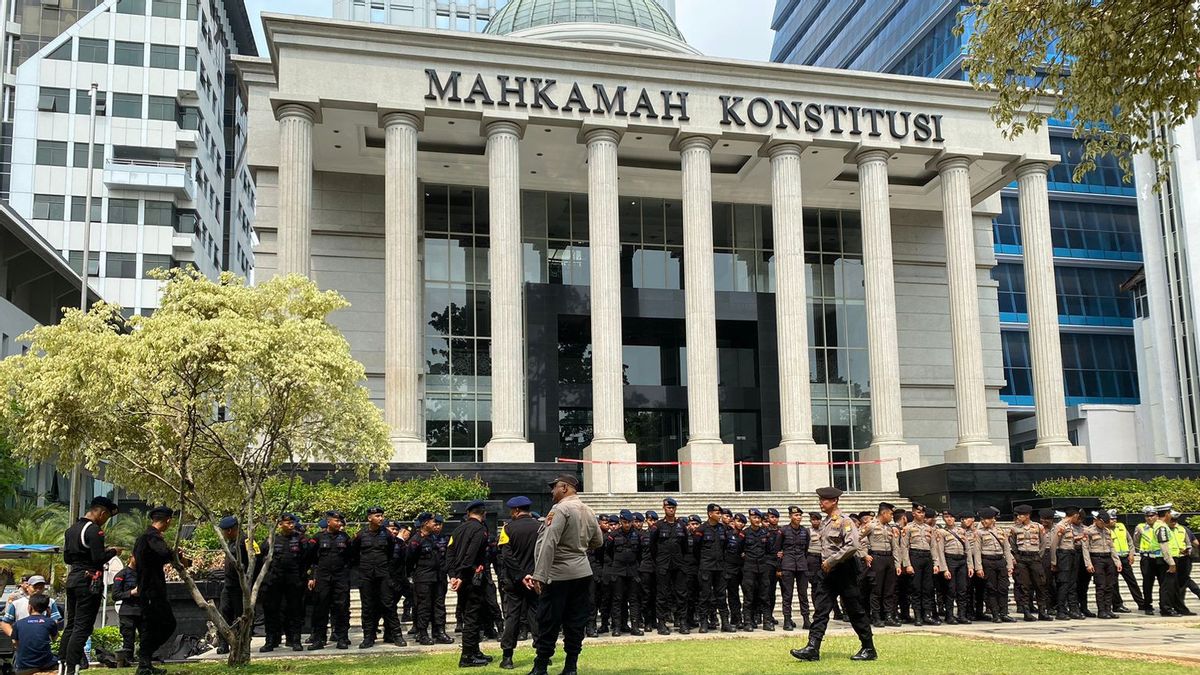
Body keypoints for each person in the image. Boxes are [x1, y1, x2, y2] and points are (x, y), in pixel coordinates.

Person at [525, 474, 603, 675]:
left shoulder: (560, 509)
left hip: (558, 575)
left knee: (548, 621)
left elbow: (549, 542)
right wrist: (579, 548)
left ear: (565, 488)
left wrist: (539, 575)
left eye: (555, 487)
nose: (552, 491)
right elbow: (598, 541)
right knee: (576, 622)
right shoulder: (588, 509)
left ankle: (540, 667)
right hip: (582, 572)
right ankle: (570, 667)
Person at [791, 487, 875, 663]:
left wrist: (832, 561)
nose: (821, 503)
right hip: (827, 571)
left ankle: (868, 647)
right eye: (821, 500)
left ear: (835, 501)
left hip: (844, 570)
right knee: (821, 609)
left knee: (855, 610)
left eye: (824, 500)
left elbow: (852, 546)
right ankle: (812, 648)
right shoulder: (825, 522)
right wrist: (827, 564)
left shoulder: (845, 522)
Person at [60, 495, 120, 674]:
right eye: (106, 517)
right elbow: (98, 558)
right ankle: (73, 668)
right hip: (88, 581)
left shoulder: (71, 530)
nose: (105, 521)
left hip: (73, 579)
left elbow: (67, 558)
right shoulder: (94, 531)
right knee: (82, 627)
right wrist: (112, 552)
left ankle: (62, 664)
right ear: (101, 513)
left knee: (70, 625)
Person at [134, 505, 188, 675]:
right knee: (162, 624)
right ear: (168, 521)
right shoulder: (151, 536)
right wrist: (176, 555)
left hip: (152, 588)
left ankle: (146, 661)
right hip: (151, 590)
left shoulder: (144, 538)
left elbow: (157, 558)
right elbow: (164, 552)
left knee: (157, 625)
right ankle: (144, 659)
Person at [447, 499, 495, 668]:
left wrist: (452, 575)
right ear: (484, 513)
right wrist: (461, 575)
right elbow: (471, 554)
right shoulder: (479, 529)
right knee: (472, 617)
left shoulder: (458, 529)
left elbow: (450, 552)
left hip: (462, 578)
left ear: (468, 513)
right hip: (471, 578)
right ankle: (467, 655)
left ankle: (474, 650)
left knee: (471, 615)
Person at [498, 496, 539, 669]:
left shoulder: (507, 529)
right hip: (536, 579)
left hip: (514, 581)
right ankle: (542, 653)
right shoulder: (541, 527)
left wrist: (521, 575)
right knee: (536, 616)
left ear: (515, 511)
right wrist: (532, 574)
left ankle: (507, 657)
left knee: (512, 617)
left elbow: (506, 556)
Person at [352, 506, 401, 648]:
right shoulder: (361, 535)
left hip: (383, 574)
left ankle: (396, 635)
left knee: (389, 604)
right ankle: (368, 637)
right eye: (377, 516)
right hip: (366, 575)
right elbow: (354, 555)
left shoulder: (387, 535)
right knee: (367, 607)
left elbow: (391, 553)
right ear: (369, 518)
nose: (381, 518)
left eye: (381, 516)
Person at [259, 513, 308, 652]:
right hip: (275, 580)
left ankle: (295, 640)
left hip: (294, 579)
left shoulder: (300, 539)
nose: (291, 525)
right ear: (280, 525)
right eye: (287, 523)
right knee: (271, 610)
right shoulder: (271, 540)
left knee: (295, 610)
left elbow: (306, 558)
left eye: (292, 523)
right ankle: (270, 640)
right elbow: (261, 558)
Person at [307, 510, 354, 650]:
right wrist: (312, 576)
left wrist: (345, 572)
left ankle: (342, 638)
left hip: (340, 578)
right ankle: (319, 639)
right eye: (336, 521)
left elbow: (350, 556)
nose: (339, 523)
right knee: (320, 608)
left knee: (342, 608)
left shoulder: (345, 537)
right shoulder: (318, 537)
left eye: (340, 521)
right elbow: (311, 558)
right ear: (328, 522)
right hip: (323, 578)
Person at [648, 497, 689, 635]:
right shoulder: (658, 526)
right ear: (664, 508)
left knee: (681, 594)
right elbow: (652, 546)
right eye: (668, 508)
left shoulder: (681, 526)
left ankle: (682, 622)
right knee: (662, 595)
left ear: (675, 509)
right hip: (663, 565)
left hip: (678, 565)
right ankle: (662, 623)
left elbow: (685, 547)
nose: (670, 510)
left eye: (673, 508)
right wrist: (659, 560)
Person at [216, 515, 257, 655]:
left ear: (229, 530)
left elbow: (255, 562)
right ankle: (224, 643)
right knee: (224, 613)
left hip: (240, 587)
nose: (222, 534)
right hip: (229, 585)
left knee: (241, 616)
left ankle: (241, 643)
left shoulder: (246, 542)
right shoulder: (231, 542)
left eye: (223, 531)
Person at [1009, 504, 1051, 621]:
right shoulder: (1014, 529)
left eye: (1021, 515)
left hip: (1035, 558)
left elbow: (1043, 543)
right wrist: (1017, 556)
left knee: (1040, 585)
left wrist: (1039, 556)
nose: (1018, 517)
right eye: (1017, 515)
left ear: (1027, 515)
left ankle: (1042, 611)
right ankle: (1026, 612)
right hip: (1022, 559)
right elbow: (1012, 544)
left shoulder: (1038, 527)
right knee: (1024, 586)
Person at [605, 510, 644, 637]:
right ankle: (617, 627)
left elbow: (640, 553)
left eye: (629, 522)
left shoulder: (637, 535)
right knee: (617, 600)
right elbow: (609, 552)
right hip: (618, 571)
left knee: (634, 600)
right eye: (625, 522)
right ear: (621, 522)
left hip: (632, 571)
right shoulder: (614, 535)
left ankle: (635, 626)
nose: (627, 525)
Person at [899, 505, 938, 626]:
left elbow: (933, 547)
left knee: (928, 588)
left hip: (927, 557)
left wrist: (936, 563)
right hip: (914, 556)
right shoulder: (908, 528)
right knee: (916, 588)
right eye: (918, 512)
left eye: (923, 513)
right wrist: (907, 564)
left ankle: (927, 615)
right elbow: (904, 547)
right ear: (913, 513)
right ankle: (918, 616)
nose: (921, 515)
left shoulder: (929, 528)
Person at [693, 503, 730, 634]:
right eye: (717, 513)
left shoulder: (723, 529)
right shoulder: (701, 529)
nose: (720, 515)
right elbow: (696, 549)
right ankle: (703, 623)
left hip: (720, 567)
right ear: (710, 514)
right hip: (706, 567)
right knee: (705, 596)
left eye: (720, 513)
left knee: (721, 595)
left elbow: (725, 546)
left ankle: (725, 622)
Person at [777, 505, 810, 631]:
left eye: (800, 515)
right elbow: (778, 549)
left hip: (802, 565)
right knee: (787, 594)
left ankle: (806, 620)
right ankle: (787, 620)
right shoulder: (784, 530)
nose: (798, 517)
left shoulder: (805, 531)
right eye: (796, 515)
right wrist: (779, 568)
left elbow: (806, 549)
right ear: (790, 516)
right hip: (788, 565)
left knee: (803, 594)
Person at [1082, 510, 1121, 619]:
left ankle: (1108, 609)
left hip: (1108, 558)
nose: (1104, 525)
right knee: (1101, 585)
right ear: (1098, 520)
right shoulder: (1089, 531)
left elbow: (1112, 547)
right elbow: (1085, 548)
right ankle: (1101, 610)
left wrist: (1117, 561)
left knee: (1110, 585)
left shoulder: (1107, 531)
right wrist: (1088, 564)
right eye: (1102, 522)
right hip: (1096, 558)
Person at [742, 509, 776, 631]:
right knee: (749, 596)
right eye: (754, 518)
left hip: (762, 568)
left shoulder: (765, 533)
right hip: (749, 568)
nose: (756, 520)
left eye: (758, 518)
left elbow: (770, 550)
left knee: (765, 596)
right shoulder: (744, 533)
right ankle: (748, 622)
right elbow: (740, 550)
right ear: (750, 519)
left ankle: (767, 622)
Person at [1049, 506, 1085, 620]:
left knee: (1072, 583)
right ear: (1074, 515)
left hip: (1072, 554)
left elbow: (1070, 540)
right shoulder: (1060, 526)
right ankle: (1061, 610)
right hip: (1063, 555)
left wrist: (1078, 538)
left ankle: (1073, 609)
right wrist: (1053, 561)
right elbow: (1054, 544)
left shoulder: (1069, 526)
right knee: (1063, 583)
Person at [11, 593, 58, 675]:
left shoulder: (18, 624)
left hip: (23, 666)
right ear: (47, 609)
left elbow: (15, 643)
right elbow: (54, 639)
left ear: (30, 607)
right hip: (45, 664)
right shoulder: (50, 622)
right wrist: (49, 616)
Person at [1107, 509, 1142, 613]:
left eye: (1115, 518)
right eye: (1111, 519)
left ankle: (1141, 602)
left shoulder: (1121, 526)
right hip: (1113, 558)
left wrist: (1131, 553)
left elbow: (1130, 541)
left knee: (1132, 581)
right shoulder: (1104, 529)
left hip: (1125, 557)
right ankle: (1117, 604)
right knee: (1114, 583)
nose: (1114, 521)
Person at [110, 559, 141, 666]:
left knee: (146, 636)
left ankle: (145, 658)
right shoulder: (122, 574)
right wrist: (131, 593)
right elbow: (115, 595)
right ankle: (128, 660)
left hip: (143, 610)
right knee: (128, 638)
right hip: (128, 611)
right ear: (131, 558)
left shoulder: (144, 573)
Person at [722, 514, 745, 631]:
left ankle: (740, 618)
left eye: (742, 522)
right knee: (728, 595)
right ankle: (731, 619)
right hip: (727, 567)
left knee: (738, 594)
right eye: (738, 521)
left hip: (740, 568)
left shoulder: (744, 535)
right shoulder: (727, 534)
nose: (740, 524)